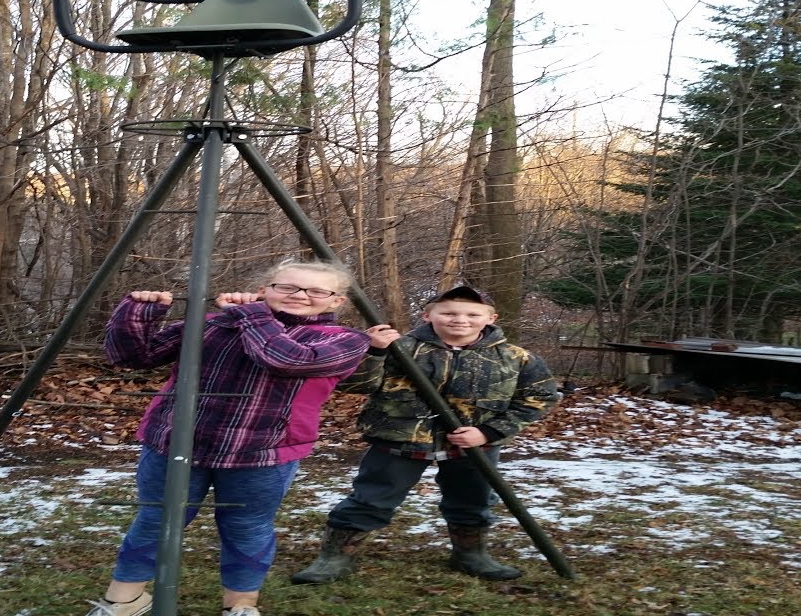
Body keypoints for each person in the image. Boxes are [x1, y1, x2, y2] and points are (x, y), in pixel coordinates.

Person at [83, 259, 372, 616]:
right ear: (266, 288)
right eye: (287, 287)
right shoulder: (214, 324)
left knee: (246, 528)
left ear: (336, 302)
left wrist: (252, 315)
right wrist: (138, 313)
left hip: (262, 453)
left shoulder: (345, 340)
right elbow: (131, 357)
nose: (300, 296)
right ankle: (125, 601)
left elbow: (285, 360)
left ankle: (240, 606)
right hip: (176, 443)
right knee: (156, 520)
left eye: (316, 291)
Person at [290, 285, 561, 586]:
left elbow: (539, 397)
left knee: (473, 498)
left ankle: (470, 554)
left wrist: (488, 432)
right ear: (427, 314)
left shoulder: (515, 357)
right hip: (399, 438)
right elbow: (354, 385)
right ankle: (335, 556)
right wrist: (375, 351)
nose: (461, 319)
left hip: (473, 445)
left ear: (491, 318)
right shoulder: (399, 348)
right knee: (372, 497)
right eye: (448, 312)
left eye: (473, 314)